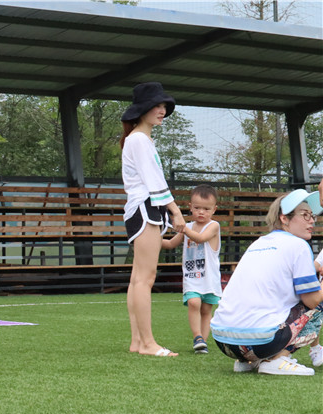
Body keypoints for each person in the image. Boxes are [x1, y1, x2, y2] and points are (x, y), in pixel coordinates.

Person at [210, 190, 323, 376]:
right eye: (304, 215)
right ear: (284, 218)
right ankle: (275, 359)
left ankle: (248, 362)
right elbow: (312, 301)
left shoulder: (258, 243)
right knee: (319, 303)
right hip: (260, 342)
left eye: (312, 216)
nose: (311, 221)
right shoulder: (299, 246)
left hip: (224, 343)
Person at [120, 82, 186, 357]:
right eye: (157, 106)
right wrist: (176, 211)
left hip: (141, 209)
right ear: (143, 110)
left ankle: (139, 342)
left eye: (164, 107)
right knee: (144, 279)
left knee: (138, 279)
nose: (162, 111)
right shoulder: (138, 139)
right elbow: (154, 181)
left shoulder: (139, 139)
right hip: (145, 209)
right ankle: (147, 343)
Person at [161, 184, 222, 354]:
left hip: (209, 278)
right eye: (197, 208)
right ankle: (198, 337)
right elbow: (171, 243)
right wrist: (152, 240)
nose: (201, 212)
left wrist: (183, 228)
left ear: (214, 209)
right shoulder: (187, 227)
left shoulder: (213, 226)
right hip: (192, 277)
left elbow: (201, 238)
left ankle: (202, 343)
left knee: (206, 310)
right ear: (190, 207)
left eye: (206, 209)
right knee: (194, 302)